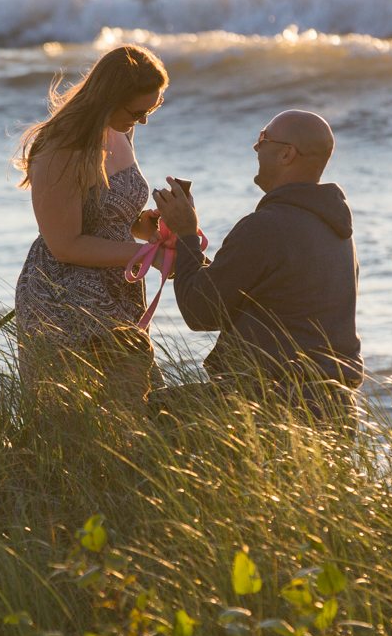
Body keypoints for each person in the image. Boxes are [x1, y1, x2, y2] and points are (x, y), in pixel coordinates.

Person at [152, 110, 363, 415]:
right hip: (336, 406)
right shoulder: (336, 229)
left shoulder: (266, 226)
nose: (256, 147)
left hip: (273, 402)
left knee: (147, 414)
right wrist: (183, 253)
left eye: (263, 138)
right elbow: (244, 294)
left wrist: (186, 234)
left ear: (287, 154)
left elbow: (201, 312)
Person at [13, 44, 170, 403]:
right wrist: (146, 255)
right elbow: (65, 245)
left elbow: (105, 218)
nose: (143, 119)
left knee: (138, 404)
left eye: (153, 108)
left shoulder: (121, 128)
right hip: (65, 296)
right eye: (138, 110)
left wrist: (148, 229)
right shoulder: (62, 147)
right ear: (110, 98)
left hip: (117, 288)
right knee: (87, 416)